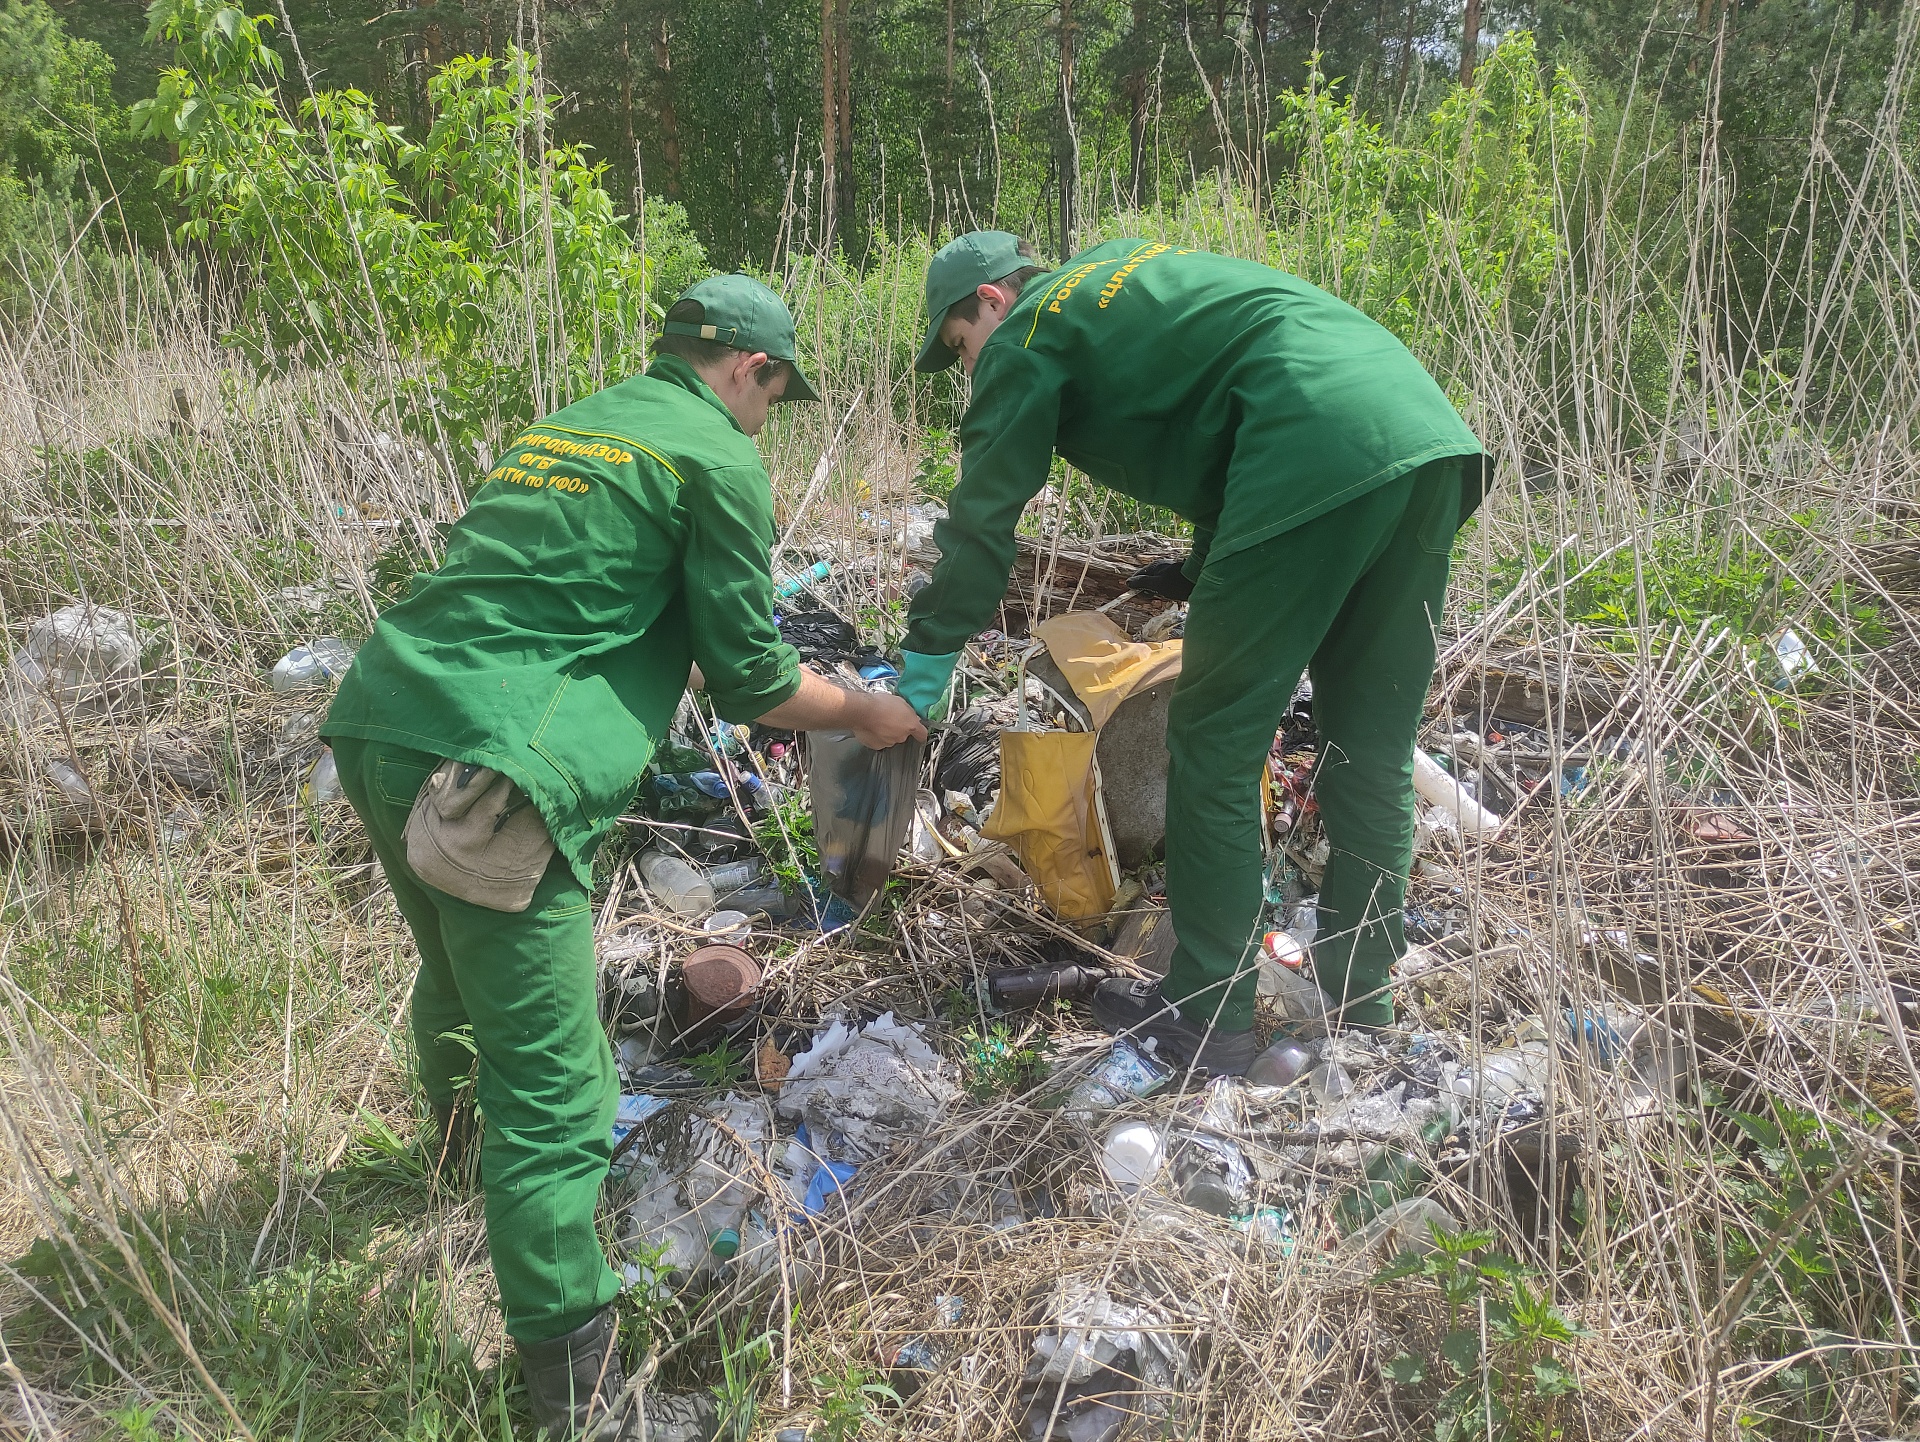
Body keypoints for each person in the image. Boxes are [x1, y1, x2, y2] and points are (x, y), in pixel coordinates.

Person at [321, 275, 923, 1439]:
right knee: (553, 1089)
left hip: (381, 717)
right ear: (750, 370)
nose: (769, 418)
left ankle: (454, 1178)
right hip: (498, 773)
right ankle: (579, 1397)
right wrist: (863, 712)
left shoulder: (571, 423)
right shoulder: (717, 455)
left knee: (454, 975)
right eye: (775, 394)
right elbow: (751, 679)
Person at [897, 232, 1486, 1076]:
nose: (968, 368)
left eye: (959, 347)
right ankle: (1362, 1000)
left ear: (990, 299)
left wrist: (924, 663)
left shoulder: (1027, 328)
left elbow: (983, 521)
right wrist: (1197, 570)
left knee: (1213, 742)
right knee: (1373, 747)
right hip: (1423, 437)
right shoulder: (1127, 268)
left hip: (1311, 448)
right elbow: (1236, 405)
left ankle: (1210, 1013)